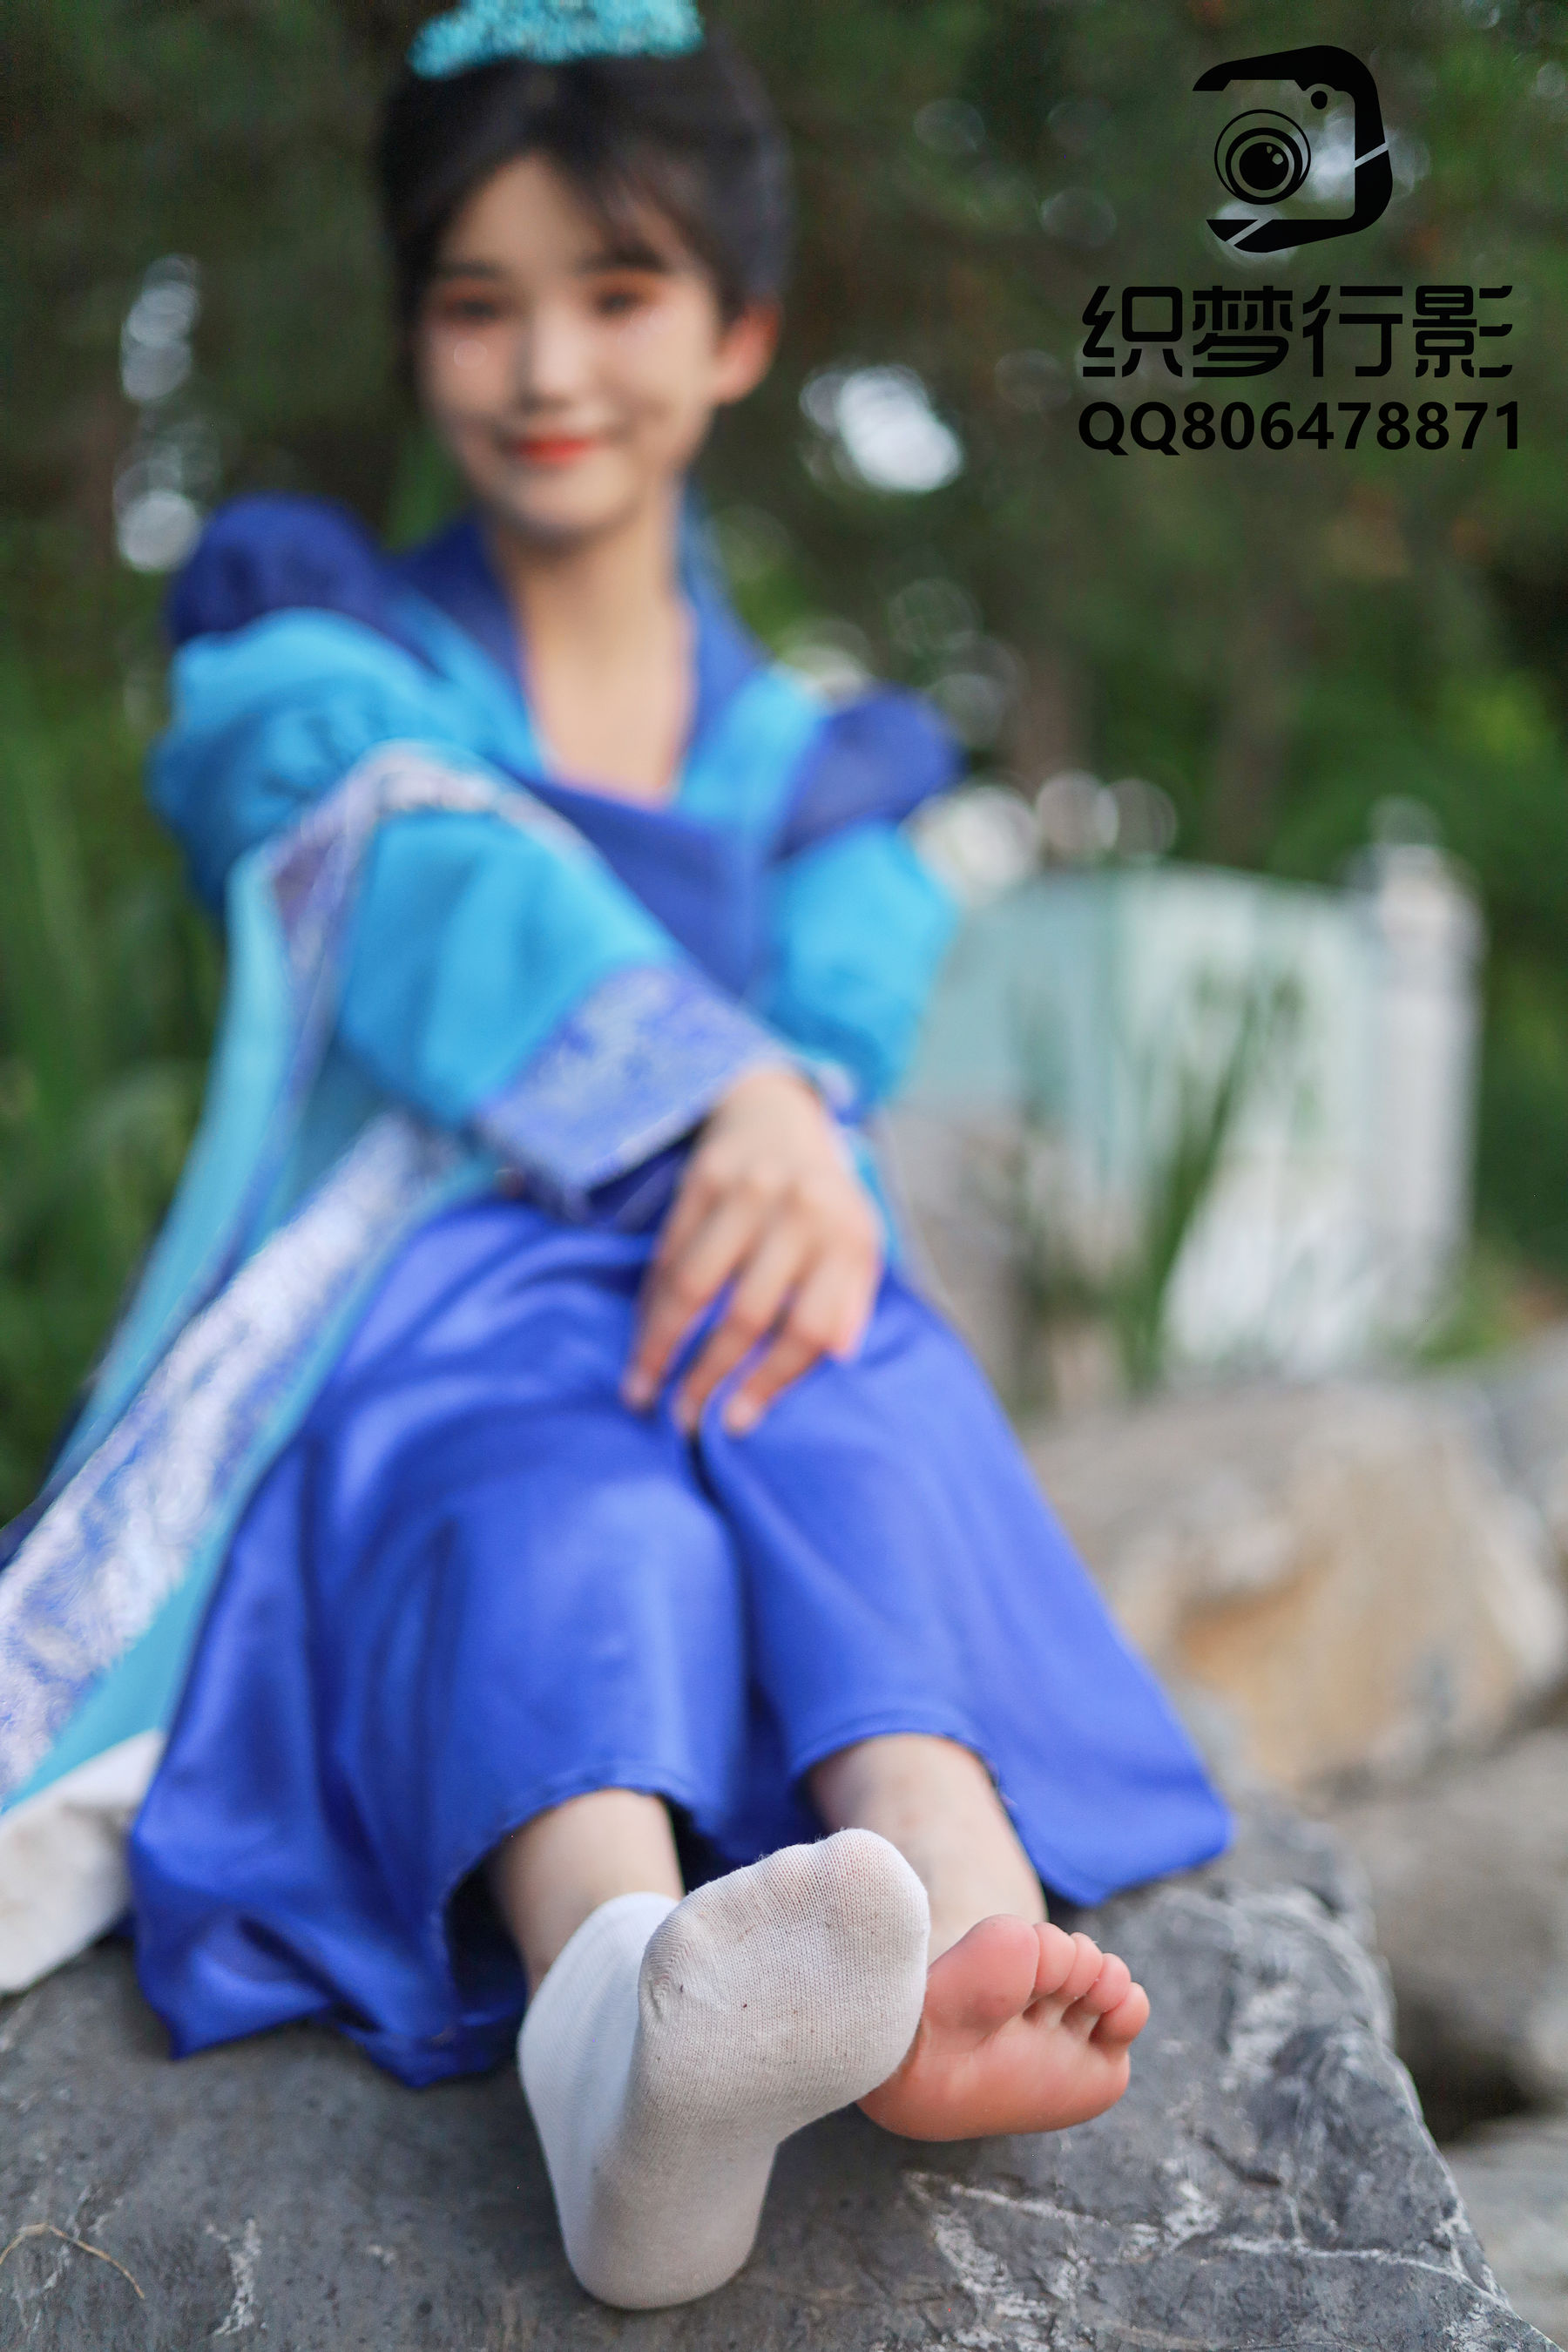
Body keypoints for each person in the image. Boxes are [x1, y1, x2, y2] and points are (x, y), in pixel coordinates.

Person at [0, 0, 1229, 2311]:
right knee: (553, 1482)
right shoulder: (322, 648)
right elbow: (418, 880)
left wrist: (784, 1122)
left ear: (741, 330)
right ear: (417, 332)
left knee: (823, 1362)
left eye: (620, 290)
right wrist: (723, 1087)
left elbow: (834, 1040)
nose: (548, 365)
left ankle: (949, 1919)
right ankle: (617, 2023)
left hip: (735, 1292)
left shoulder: (826, 767)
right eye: (481, 302)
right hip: (426, 1303)